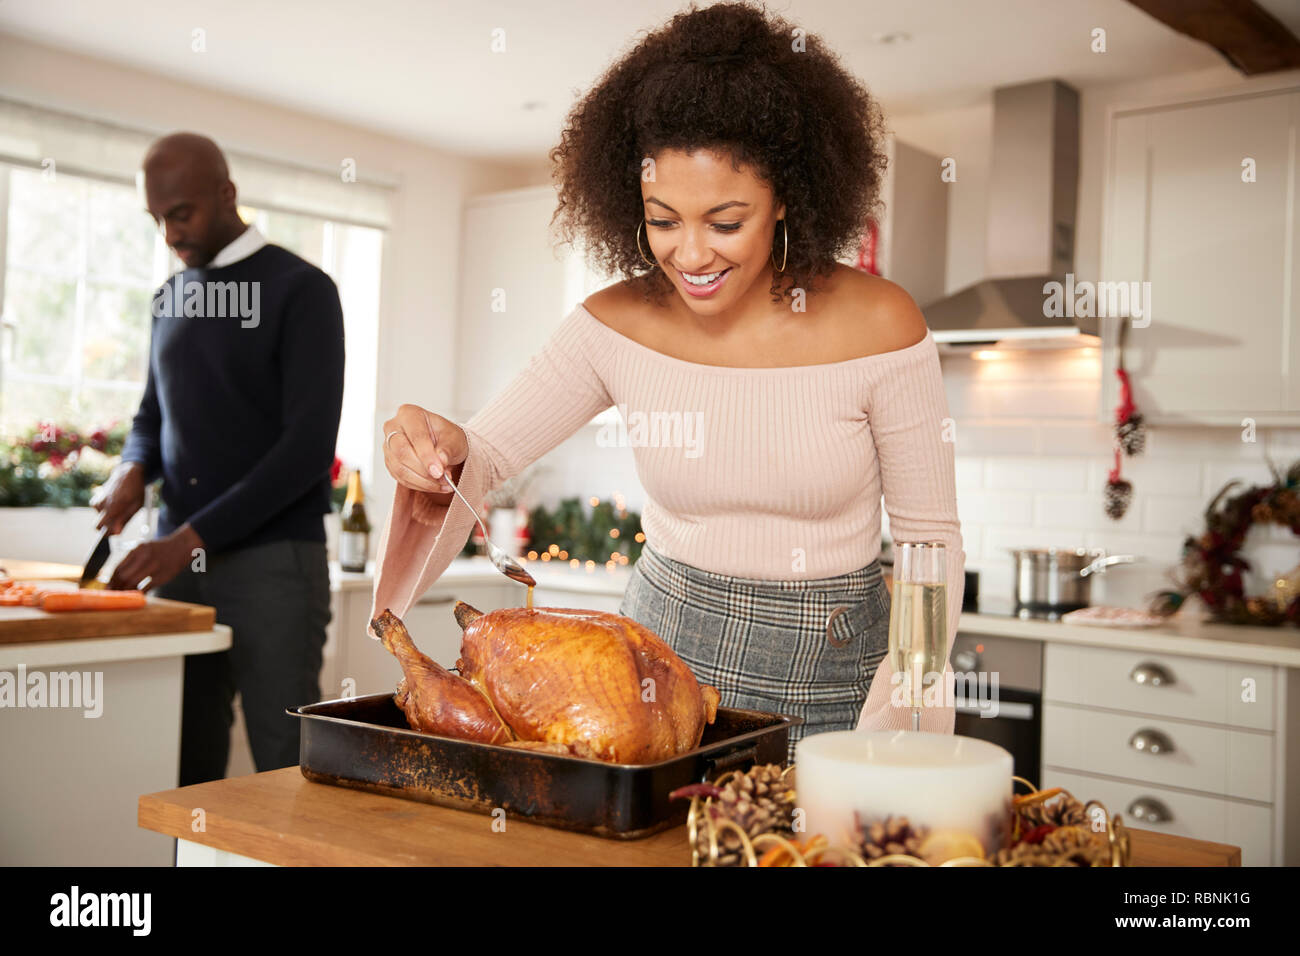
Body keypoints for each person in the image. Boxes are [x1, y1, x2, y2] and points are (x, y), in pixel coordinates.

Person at [370, 3, 964, 764]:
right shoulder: (614, 325)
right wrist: (438, 446)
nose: (690, 255)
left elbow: (929, 546)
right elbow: (480, 454)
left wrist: (901, 730)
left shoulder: (880, 323)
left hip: (836, 674)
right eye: (662, 220)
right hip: (645, 675)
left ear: (786, 198)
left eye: (725, 222)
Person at [92, 132, 345, 784]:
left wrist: (186, 540)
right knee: (182, 763)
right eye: (157, 218)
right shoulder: (170, 298)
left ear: (227, 195)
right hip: (178, 568)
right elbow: (153, 417)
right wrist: (131, 469)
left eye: (181, 213)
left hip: (273, 572)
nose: (169, 233)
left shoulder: (303, 290)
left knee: (286, 768)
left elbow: (306, 453)